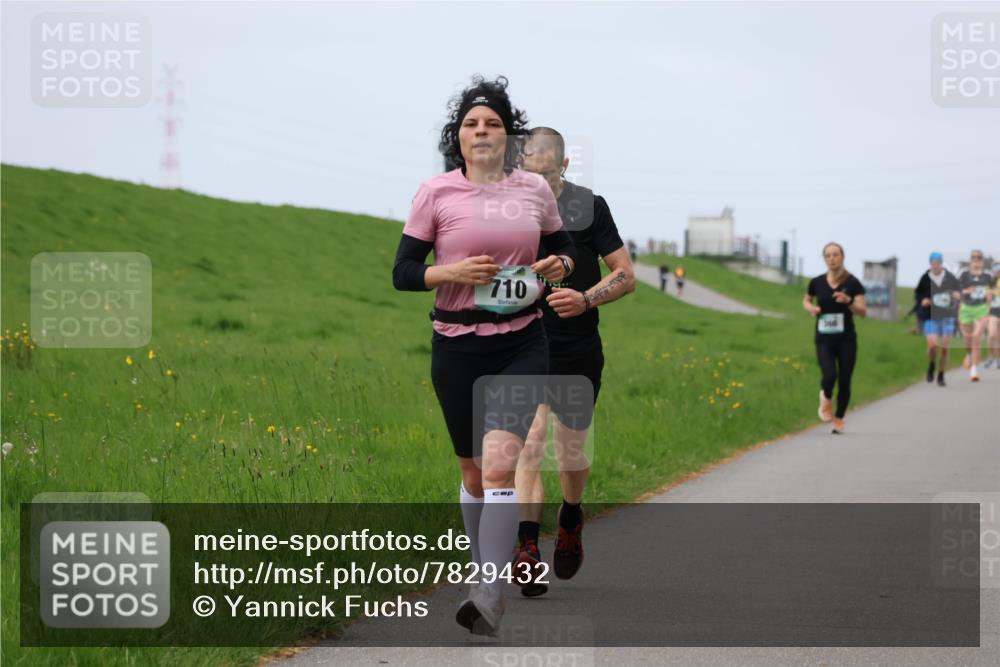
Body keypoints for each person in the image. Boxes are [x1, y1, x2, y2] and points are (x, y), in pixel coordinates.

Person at [392, 76, 577, 635]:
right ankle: (483, 573)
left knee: (501, 462)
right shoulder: (435, 192)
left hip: (522, 340)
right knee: (473, 474)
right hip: (454, 344)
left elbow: (563, 246)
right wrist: (451, 272)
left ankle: (489, 594)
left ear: (508, 137)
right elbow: (402, 273)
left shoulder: (533, 192)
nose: (481, 131)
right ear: (459, 136)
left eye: (493, 123)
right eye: (472, 124)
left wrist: (560, 266)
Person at [513, 127, 634, 597]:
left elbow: (625, 275)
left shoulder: (590, 207)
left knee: (570, 452)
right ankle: (526, 549)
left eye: (545, 171)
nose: (536, 181)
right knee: (530, 441)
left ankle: (570, 515)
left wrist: (585, 299)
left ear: (563, 167)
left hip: (578, 347)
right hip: (523, 343)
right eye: (527, 170)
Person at [802, 242, 867, 434]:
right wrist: (811, 308)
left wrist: (849, 303)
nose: (832, 258)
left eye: (835, 255)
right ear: (824, 259)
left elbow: (863, 312)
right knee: (830, 375)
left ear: (843, 257)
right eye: (828, 255)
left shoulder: (853, 283)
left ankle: (839, 419)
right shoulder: (817, 282)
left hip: (846, 339)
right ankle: (826, 397)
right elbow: (806, 300)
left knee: (845, 380)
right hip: (824, 339)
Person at [914, 252, 961, 386]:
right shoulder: (925, 277)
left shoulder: (949, 277)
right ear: (930, 263)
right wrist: (923, 300)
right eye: (933, 263)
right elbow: (918, 293)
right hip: (931, 316)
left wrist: (957, 295)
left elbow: (958, 291)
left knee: (945, 347)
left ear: (941, 263)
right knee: (933, 345)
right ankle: (932, 365)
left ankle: (941, 374)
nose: (935, 265)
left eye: (938, 262)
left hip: (947, 315)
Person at [957, 250, 993, 382]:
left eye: (979, 257)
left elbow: (989, 294)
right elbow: (958, 292)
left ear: (982, 260)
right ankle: (969, 355)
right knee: (968, 339)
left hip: (981, 309)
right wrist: (967, 291)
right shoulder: (964, 275)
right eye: (974, 257)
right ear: (970, 260)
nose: (976, 259)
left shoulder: (988, 276)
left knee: (976, 338)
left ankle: (974, 371)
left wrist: (988, 310)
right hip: (966, 308)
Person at [987, 262, 1000, 369]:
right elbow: (988, 296)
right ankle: (990, 357)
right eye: (996, 270)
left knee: (998, 336)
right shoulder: (990, 281)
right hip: (993, 311)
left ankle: (998, 359)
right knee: (992, 334)